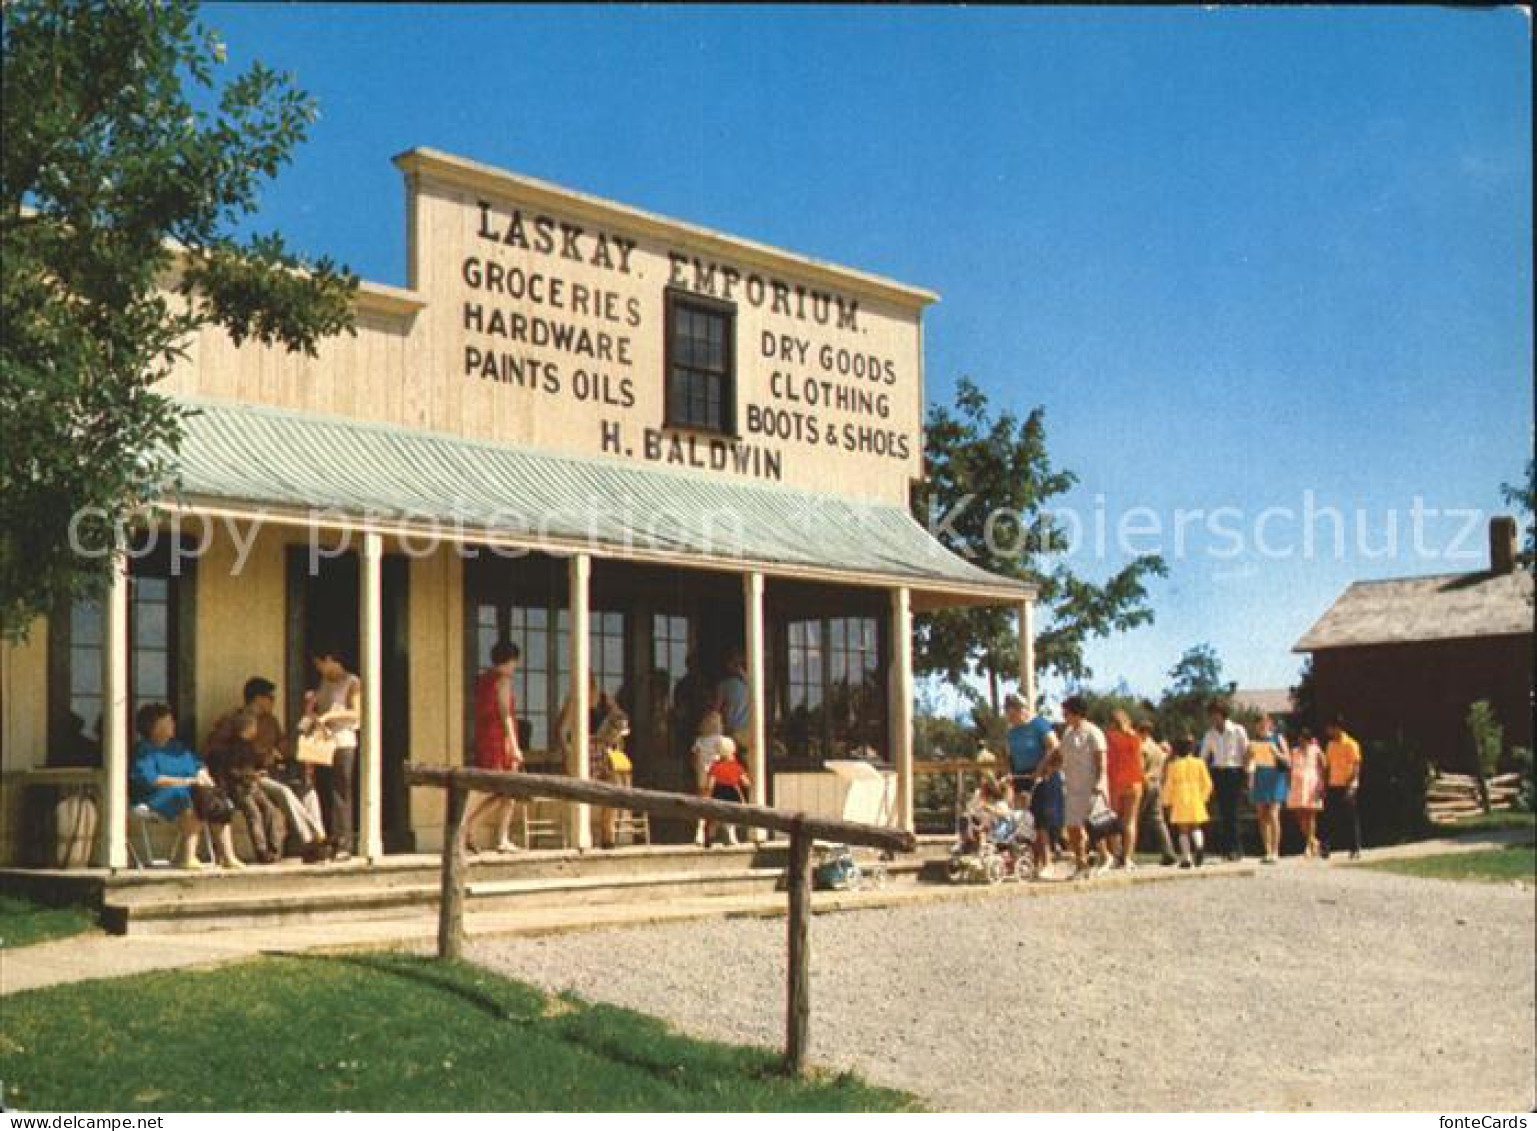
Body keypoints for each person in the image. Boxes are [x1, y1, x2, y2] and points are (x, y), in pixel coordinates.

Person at [130, 702, 243, 870]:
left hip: (189, 790)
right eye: (168, 722)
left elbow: (198, 764)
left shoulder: (177, 747)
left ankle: (228, 856)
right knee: (190, 797)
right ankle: (188, 857)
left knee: (217, 800)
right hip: (155, 795)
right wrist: (186, 782)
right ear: (154, 726)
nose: (172, 725)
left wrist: (202, 774)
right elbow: (149, 779)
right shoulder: (145, 750)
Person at [241, 677, 327, 860]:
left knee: (308, 792)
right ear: (258, 698)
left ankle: (320, 839)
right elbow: (235, 752)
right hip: (253, 775)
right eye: (270, 697)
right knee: (284, 792)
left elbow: (283, 747)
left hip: (275, 772)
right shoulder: (240, 720)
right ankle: (311, 840)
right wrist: (262, 757)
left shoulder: (271, 721)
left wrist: (303, 732)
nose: (274, 700)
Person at [299, 647, 361, 862]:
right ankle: (327, 839)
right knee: (323, 790)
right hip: (323, 741)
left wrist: (332, 715)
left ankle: (344, 841)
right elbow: (315, 711)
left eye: (320, 664)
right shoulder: (324, 682)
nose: (319, 669)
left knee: (340, 791)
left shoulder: (352, 682)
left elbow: (356, 713)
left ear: (330, 659)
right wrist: (312, 710)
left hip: (343, 741)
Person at [463, 640, 524, 854]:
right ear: (510, 660)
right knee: (507, 790)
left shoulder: (484, 679)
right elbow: (505, 714)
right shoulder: (502, 681)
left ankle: (482, 830)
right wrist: (514, 746)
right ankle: (485, 831)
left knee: (504, 791)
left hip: (486, 738)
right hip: (500, 740)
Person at [204, 709, 286, 864]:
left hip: (252, 786)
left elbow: (254, 764)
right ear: (248, 728)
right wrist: (250, 775)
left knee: (270, 810)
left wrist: (264, 765)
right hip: (238, 789)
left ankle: (274, 849)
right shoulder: (232, 748)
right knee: (254, 813)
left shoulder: (249, 746)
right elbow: (232, 771)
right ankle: (261, 850)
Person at [1002, 692, 1062, 872]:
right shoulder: (1011, 732)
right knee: (1025, 820)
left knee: (1041, 820)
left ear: (1022, 710)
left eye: (1013, 712)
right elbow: (1008, 756)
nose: (1010, 716)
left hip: (1043, 774)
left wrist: (1040, 768)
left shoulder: (1039, 725)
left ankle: (1047, 861)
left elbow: (1054, 746)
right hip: (1021, 776)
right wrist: (1008, 774)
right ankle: (1031, 861)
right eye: (1008, 712)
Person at [1058, 696, 1108, 877]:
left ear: (1077, 713)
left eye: (1067, 713)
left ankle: (1103, 857)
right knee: (1072, 826)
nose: (1064, 716)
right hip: (1072, 785)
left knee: (1094, 825)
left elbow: (1101, 760)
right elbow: (1061, 755)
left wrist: (1100, 782)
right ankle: (1081, 863)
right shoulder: (1068, 733)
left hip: (1089, 785)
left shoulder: (1093, 732)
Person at [1199, 700, 1249, 861]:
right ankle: (1227, 849)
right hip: (1218, 773)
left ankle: (1236, 849)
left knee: (1233, 812)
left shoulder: (1237, 730)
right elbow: (1203, 757)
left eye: (1215, 714)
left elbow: (1247, 751)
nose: (1213, 718)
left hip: (1234, 771)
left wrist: (1247, 773)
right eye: (1211, 715)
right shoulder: (1210, 734)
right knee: (1223, 812)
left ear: (1222, 714)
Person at [1162, 735, 1212, 868]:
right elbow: (1207, 783)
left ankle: (1186, 858)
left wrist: (1166, 801)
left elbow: (1169, 785)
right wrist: (1204, 797)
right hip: (1196, 797)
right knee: (1196, 826)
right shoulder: (1199, 763)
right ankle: (1200, 846)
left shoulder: (1173, 766)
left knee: (1183, 830)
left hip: (1179, 798)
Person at [1247, 713, 1291, 864]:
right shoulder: (1254, 742)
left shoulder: (1278, 738)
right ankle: (1266, 850)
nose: (1261, 726)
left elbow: (1288, 760)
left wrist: (1276, 752)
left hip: (1276, 778)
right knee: (1262, 816)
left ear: (1270, 724)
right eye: (1258, 723)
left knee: (1273, 814)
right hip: (1260, 778)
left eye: (1264, 723)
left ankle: (1275, 851)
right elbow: (1247, 763)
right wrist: (1249, 756)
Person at [690, 711, 736, 847]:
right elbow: (727, 756)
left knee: (703, 804)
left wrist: (698, 769)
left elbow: (695, 758)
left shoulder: (699, 741)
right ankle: (730, 835)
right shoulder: (722, 740)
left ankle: (699, 834)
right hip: (719, 776)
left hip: (702, 774)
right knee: (726, 804)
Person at [1105, 709, 1143, 869]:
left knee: (1113, 820)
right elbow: (1140, 761)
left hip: (1115, 780)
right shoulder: (1135, 737)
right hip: (1134, 781)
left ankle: (1115, 855)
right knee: (1130, 821)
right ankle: (1128, 858)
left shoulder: (1108, 737)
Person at [1136, 721, 1178, 866]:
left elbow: (1140, 769)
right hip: (1157, 784)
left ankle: (1123, 854)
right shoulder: (1157, 748)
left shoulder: (1141, 748)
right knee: (1158, 820)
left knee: (1133, 819)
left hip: (1145, 783)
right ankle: (1169, 852)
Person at [1321, 716, 1363, 859]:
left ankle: (1354, 848)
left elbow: (1356, 766)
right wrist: (1325, 785)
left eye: (1330, 728)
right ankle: (1325, 848)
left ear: (1338, 728)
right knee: (1328, 818)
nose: (1328, 731)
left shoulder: (1351, 744)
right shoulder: (1330, 745)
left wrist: (1350, 785)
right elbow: (1327, 766)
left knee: (1350, 818)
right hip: (1333, 784)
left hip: (1348, 785)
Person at [1286, 727, 1327, 857]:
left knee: (1311, 815)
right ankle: (1314, 841)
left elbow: (1324, 765)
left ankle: (1308, 846)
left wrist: (1322, 783)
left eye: (1304, 740)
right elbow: (1289, 768)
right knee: (1300, 815)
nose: (1301, 742)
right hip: (1297, 784)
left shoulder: (1315, 750)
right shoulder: (1294, 751)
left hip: (1311, 783)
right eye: (1300, 739)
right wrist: (1289, 784)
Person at [703, 743, 751, 847]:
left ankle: (709, 838)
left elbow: (710, 784)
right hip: (732, 793)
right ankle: (731, 837)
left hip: (718, 792)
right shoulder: (737, 766)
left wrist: (707, 794)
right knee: (732, 816)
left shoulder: (714, 767)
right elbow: (746, 782)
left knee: (714, 818)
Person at [714, 648, 751, 756]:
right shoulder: (746, 685)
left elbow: (717, 708)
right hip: (741, 729)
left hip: (737, 729)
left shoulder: (725, 685)